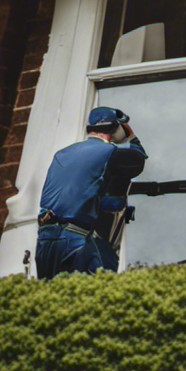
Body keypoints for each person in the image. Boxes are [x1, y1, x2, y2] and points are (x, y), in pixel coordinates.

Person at [35, 106, 147, 278]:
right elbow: (139, 160)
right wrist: (130, 135)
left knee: (50, 298)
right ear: (115, 129)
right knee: (96, 290)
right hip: (74, 238)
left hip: (45, 237)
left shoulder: (61, 153)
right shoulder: (109, 152)